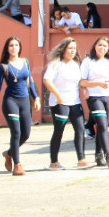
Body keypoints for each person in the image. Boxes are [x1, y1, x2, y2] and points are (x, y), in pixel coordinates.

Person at [0, 36, 41, 176]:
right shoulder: (4, 66)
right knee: (16, 132)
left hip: (25, 101)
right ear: (7, 48)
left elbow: (30, 82)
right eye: (11, 45)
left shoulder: (25, 62)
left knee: (26, 134)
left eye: (16, 45)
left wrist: (36, 98)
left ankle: (9, 153)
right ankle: (17, 165)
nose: (14, 48)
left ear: (20, 47)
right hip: (10, 101)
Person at [43, 37, 91, 170]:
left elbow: (80, 82)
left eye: (74, 48)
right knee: (59, 130)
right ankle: (54, 162)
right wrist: (58, 95)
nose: (72, 51)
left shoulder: (76, 65)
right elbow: (47, 80)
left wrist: (85, 89)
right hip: (60, 103)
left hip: (74, 102)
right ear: (63, 49)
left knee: (80, 129)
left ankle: (81, 160)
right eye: (70, 48)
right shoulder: (55, 64)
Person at [80, 36, 109, 168]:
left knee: (103, 127)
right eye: (99, 45)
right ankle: (108, 155)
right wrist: (97, 83)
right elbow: (82, 82)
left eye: (105, 46)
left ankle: (98, 155)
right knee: (102, 124)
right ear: (95, 46)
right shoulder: (88, 61)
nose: (102, 48)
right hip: (94, 97)